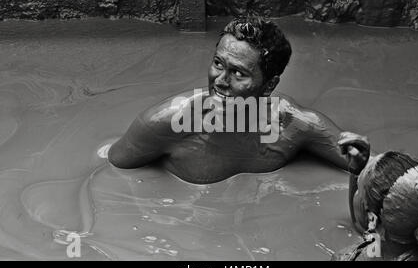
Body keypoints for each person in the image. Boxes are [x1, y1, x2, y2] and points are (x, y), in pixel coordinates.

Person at [107, 16, 370, 184]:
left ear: (269, 86)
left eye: (238, 73)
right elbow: (111, 174)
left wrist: (362, 164)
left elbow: (372, 169)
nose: (220, 80)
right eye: (218, 64)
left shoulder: (294, 124)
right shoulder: (165, 122)